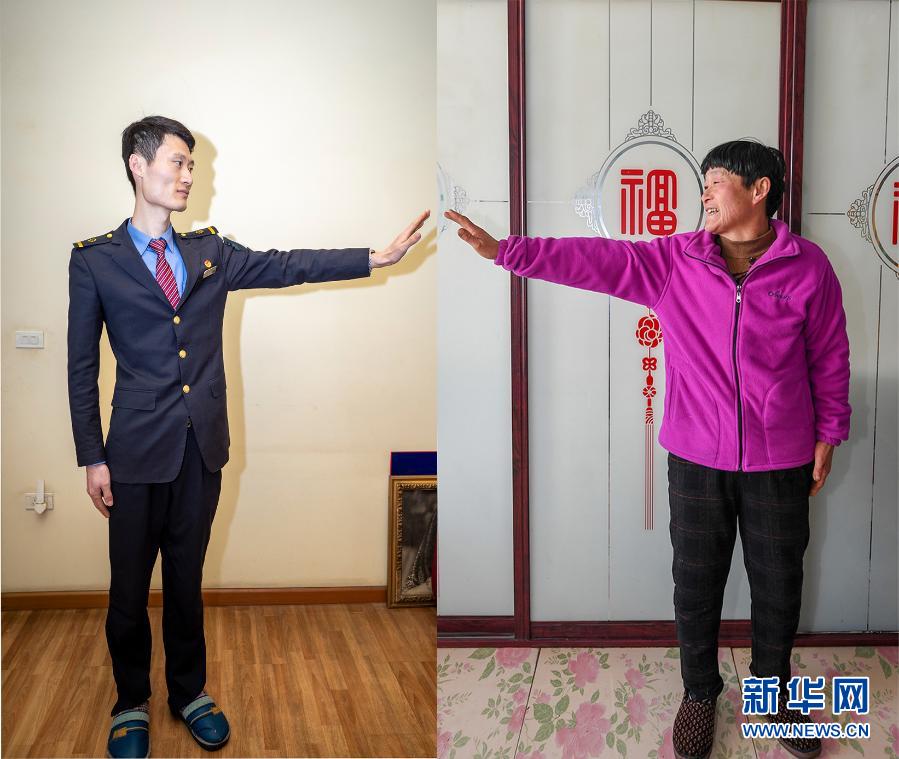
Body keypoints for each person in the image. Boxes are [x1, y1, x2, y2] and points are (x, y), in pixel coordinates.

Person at [446, 140, 850, 759]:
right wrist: (506, 251)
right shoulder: (674, 262)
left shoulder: (808, 266)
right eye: (704, 183)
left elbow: (829, 353)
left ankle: (773, 696)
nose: (704, 193)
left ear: (760, 188)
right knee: (696, 584)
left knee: (779, 585)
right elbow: (592, 260)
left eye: (716, 181)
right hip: (695, 455)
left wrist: (829, 433)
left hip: (780, 459)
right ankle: (699, 694)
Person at [67, 115, 428, 759]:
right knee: (128, 590)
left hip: (200, 449)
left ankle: (188, 693)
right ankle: (130, 702)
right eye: (178, 161)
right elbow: (81, 367)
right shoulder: (96, 260)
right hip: (134, 453)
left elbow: (285, 265)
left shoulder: (209, 251)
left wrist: (373, 258)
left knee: (186, 582)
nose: (188, 175)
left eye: (191, 165)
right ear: (137, 165)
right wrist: (92, 457)